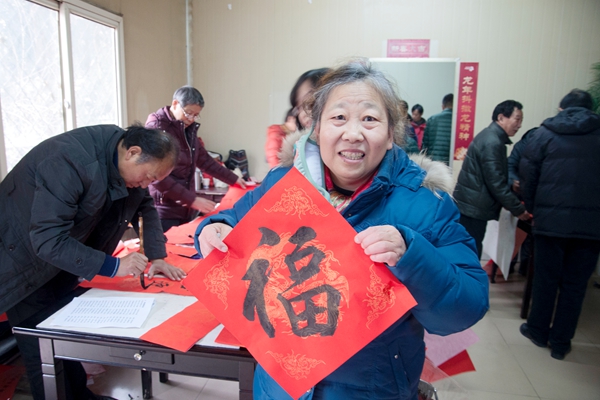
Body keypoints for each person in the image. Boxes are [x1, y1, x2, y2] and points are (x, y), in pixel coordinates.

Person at [195, 59, 489, 399]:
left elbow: (464, 309)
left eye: (369, 119)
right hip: (279, 387)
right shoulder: (283, 184)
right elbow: (234, 219)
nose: (352, 133)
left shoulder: (426, 205)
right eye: (338, 118)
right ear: (317, 128)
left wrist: (411, 254)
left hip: (371, 389)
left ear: (391, 135)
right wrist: (215, 228)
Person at [0, 124, 187, 400]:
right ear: (132, 153)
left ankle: (79, 395)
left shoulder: (120, 156)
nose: (145, 185)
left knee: (65, 337)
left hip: (62, 259)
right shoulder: (68, 161)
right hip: (22, 261)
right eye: (148, 176)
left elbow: (145, 205)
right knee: (43, 349)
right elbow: (48, 240)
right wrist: (114, 266)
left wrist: (157, 256)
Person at [518, 89, 600, 360]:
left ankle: (538, 330)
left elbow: (528, 175)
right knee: (576, 285)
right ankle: (561, 342)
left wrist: (533, 208)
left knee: (545, 279)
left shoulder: (544, 134)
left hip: (550, 222)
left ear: (562, 109)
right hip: (591, 226)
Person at [146, 85, 246, 232]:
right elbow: (155, 176)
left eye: (196, 115)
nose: (191, 119)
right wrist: (191, 200)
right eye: (188, 113)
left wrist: (233, 179)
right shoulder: (157, 128)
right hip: (164, 209)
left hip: (185, 208)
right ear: (175, 104)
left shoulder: (187, 128)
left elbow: (205, 160)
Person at [453, 100, 532, 258]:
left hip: (470, 205)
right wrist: (518, 210)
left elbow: (493, 175)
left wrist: (511, 184)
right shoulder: (493, 142)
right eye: (517, 119)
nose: (519, 125)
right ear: (501, 118)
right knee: (471, 251)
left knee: (468, 248)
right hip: (473, 208)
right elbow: (496, 183)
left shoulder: (490, 136)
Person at [421, 93, 453, 164]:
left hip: (434, 162)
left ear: (443, 106)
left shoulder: (432, 119)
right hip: (452, 162)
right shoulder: (459, 122)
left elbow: (425, 145)